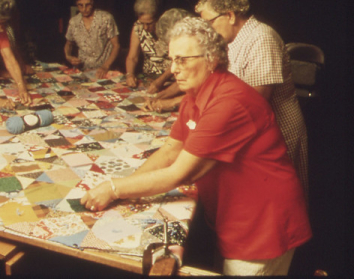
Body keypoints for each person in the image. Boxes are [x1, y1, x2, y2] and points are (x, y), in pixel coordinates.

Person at [81, 17, 311, 275]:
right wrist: (130, 185)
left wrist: (113, 189)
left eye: (182, 59)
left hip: (264, 226)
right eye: (172, 59)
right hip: (236, 218)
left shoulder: (229, 102)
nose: (174, 68)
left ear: (212, 60)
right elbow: (170, 150)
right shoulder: (195, 96)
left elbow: (179, 173)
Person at [195, 0, 308, 198]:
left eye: (210, 23)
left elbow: (256, 100)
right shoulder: (233, 40)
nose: (208, 31)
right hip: (253, 130)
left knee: (277, 201)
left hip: (279, 132)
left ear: (230, 15)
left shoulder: (261, 38)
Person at [64, 0, 120, 79]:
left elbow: (116, 45)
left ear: (93, 2)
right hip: (84, 71)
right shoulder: (74, 22)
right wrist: (68, 56)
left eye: (88, 5)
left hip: (105, 71)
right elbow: (68, 44)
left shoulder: (106, 18)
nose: (84, 9)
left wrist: (106, 66)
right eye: (80, 5)